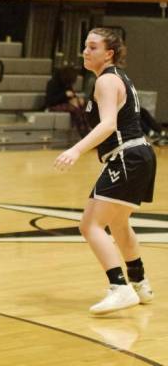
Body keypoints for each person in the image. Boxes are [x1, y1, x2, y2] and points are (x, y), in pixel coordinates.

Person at [54, 28, 156, 315]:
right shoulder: (116, 78)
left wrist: (75, 150)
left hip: (127, 156)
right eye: (85, 46)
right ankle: (139, 282)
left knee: (90, 225)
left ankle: (119, 287)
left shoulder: (107, 81)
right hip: (140, 155)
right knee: (120, 224)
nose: (86, 51)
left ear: (109, 53)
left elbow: (109, 124)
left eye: (93, 47)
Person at [45, 66, 90, 137]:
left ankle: (89, 129)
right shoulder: (52, 83)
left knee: (86, 105)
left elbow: (71, 94)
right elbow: (50, 101)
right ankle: (84, 134)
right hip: (53, 105)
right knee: (75, 109)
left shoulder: (67, 83)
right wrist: (65, 95)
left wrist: (77, 99)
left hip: (65, 103)